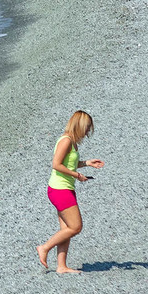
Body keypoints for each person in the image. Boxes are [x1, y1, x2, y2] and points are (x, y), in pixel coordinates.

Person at [38, 109, 101, 273]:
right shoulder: (65, 140)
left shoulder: (71, 142)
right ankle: (44, 248)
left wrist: (87, 163)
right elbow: (56, 164)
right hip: (60, 189)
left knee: (66, 229)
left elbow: (69, 163)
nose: (87, 132)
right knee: (75, 227)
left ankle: (61, 266)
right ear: (79, 125)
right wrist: (77, 175)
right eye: (87, 128)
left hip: (64, 188)